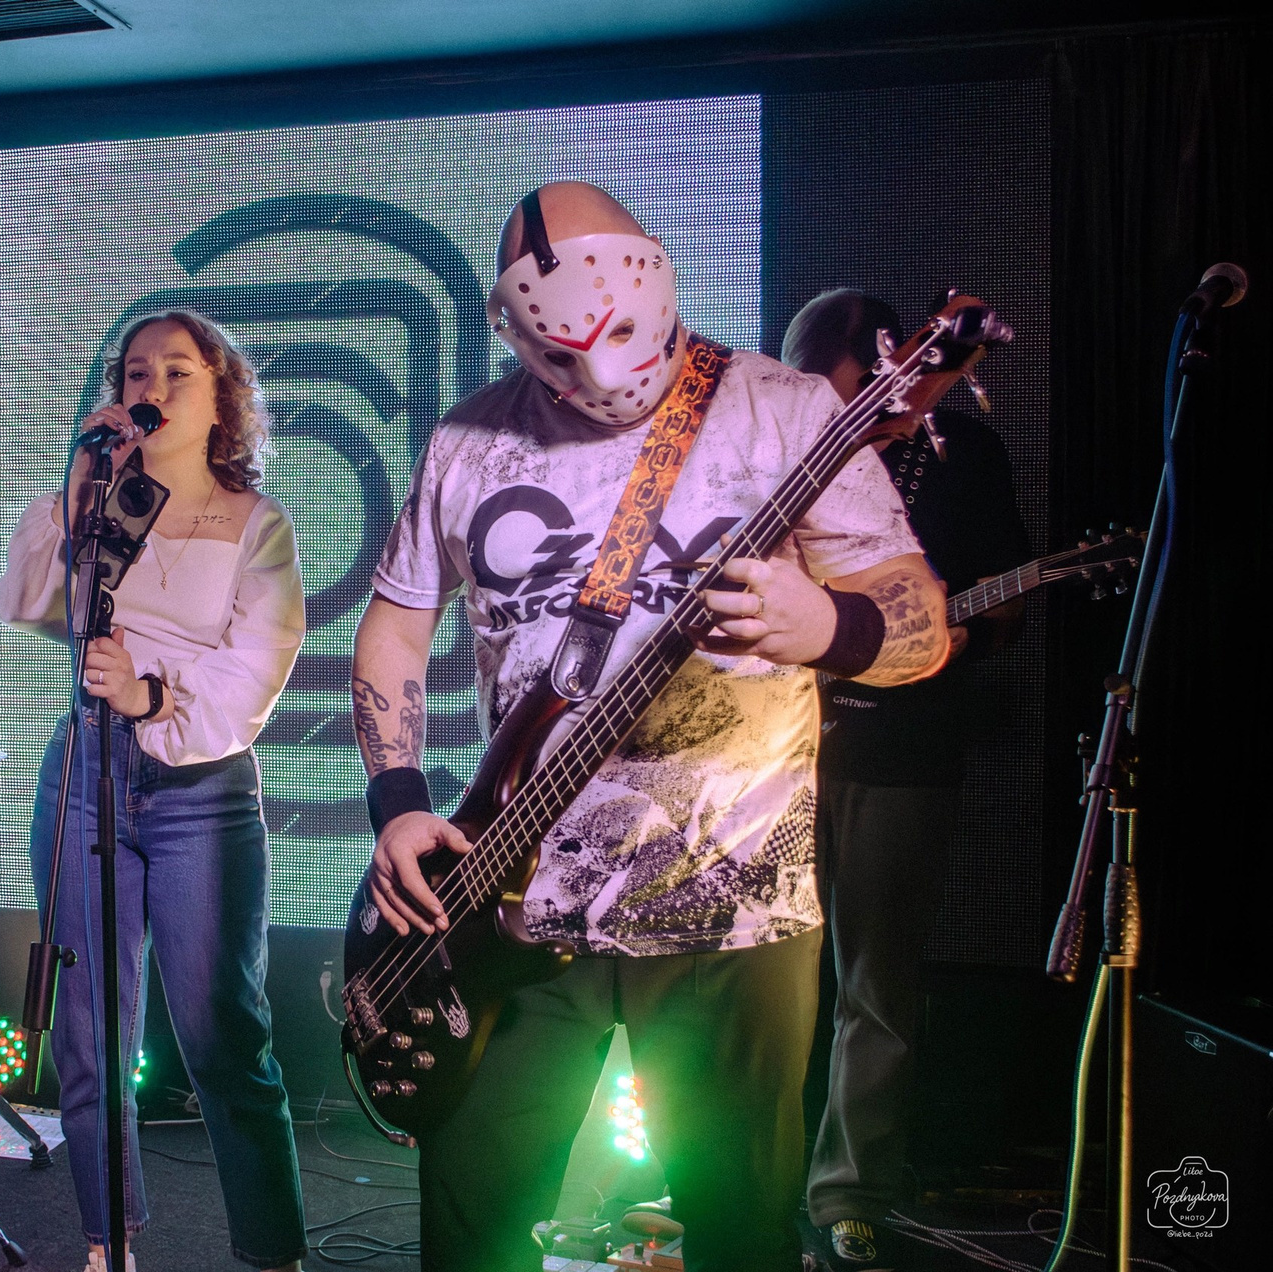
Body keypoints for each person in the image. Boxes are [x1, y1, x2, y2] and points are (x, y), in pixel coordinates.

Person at [351, 182, 951, 1272]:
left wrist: (830, 624)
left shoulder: (784, 410)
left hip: (736, 917)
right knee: (471, 1228)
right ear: (514, 331)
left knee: (738, 1236)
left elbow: (922, 623)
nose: (595, 379)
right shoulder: (468, 438)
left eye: (618, 342)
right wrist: (396, 800)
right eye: (558, 360)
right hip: (511, 903)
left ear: (656, 282)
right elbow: (394, 625)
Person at [0, 310, 309, 1272]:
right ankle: (108, 1243)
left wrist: (151, 693)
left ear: (221, 399)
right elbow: (28, 603)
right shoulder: (99, 504)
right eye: (138, 372)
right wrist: (79, 484)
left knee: (222, 1036)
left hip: (199, 790)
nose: (154, 388)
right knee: (89, 1040)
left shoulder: (256, 524)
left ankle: (272, 1252)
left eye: (179, 372)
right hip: (85, 773)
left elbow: (256, 670)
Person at [783, 290, 1029, 1272]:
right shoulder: (786, 449)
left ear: (889, 363)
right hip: (779, 752)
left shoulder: (966, 456)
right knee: (758, 980)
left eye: (838, 383)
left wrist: (957, 638)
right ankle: (750, 1176)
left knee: (877, 985)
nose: (826, 404)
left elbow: (1006, 598)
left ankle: (850, 1194)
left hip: (907, 748)